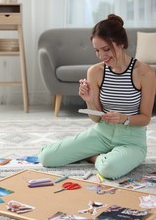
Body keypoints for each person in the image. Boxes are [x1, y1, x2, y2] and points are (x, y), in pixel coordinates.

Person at [38, 14, 156, 180]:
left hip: (132, 140)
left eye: (106, 49)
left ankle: (95, 157)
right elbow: (95, 119)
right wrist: (89, 99)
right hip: (102, 133)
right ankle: (105, 155)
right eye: (97, 50)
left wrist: (124, 118)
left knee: (109, 169)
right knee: (46, 157)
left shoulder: (145, 73)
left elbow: (145, 118)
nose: (101, 56)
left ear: (121, 43)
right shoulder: (95, 72)